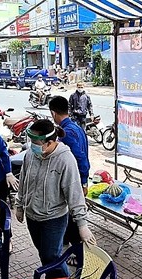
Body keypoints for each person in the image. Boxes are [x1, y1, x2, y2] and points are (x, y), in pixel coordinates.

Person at [15, 120, 96, 279]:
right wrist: (19, 205)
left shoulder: (65, 159)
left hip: (54, 218)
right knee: (44, 255)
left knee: (52, 256)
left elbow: (75, 193)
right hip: (33, 216)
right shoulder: (31, 155)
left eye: (36, 143)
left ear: (50, 142)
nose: (33, 146)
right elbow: (24, 180)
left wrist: (82, 225)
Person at [49, 95, 90, 247]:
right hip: (79, 177)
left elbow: (81, 158)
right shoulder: (77, 127)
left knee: (73, 216)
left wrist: (83, 181)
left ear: (53, 113)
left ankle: (77, 252)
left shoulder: (66, 132)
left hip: (75, 179)